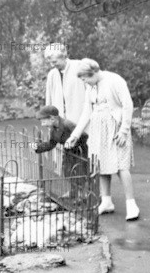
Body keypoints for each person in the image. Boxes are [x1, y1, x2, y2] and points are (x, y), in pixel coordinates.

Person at [65, 59, 139, 220]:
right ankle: (106, 201)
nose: (83, 82)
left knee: (121, 165)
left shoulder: (115, 80)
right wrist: (75, 135)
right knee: (101, 164)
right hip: (98, 129)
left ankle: (131, 204)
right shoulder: (90, 86)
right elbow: (86, 112)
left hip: (116, 128)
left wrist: (124, 131)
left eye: (84, 78)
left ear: (93, 73)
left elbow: (128, 104)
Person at [34, 106, 89, 200]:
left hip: (79, 151)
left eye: (43, 121)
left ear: (52, 118)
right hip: (68, 152)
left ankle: (82, 194)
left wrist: (72, 142)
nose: (42, 125)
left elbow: (84, 135)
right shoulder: (54, 129)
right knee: (68, 172)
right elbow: (51, 144)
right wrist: (37, 147)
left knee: (79, 172)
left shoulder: (67, 124)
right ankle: (73, 191)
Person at [44, 44, 88, 125]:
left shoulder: (79, 67)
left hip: (81, 120)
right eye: (50, 62)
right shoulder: (52, 75)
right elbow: (49, 100)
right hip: (60, 124)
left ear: (63, 56)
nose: (52, 65)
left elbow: (91, 92)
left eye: (54, 62)